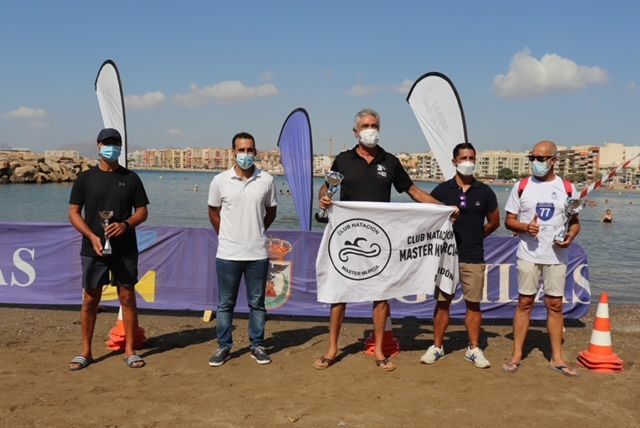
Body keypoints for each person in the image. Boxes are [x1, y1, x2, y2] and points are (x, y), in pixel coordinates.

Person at [312, 108, 443, 372]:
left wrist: (444, 208)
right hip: (347, 237)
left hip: (380, 239)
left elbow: (414, 191)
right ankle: (332, 348)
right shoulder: (343, 160)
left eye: (374, 125)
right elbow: (327, 187)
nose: (370, 130)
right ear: (355, 132)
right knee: (339, 294)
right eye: (365, 126)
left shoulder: (390, 161)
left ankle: (380, 351)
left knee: (381, 294)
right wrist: (324, 196)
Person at [68, 128, 149, 370]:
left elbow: (143, 212)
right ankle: (86, 351)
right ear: (98, 145)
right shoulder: (85, 178)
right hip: (94, 248)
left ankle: (130, 350)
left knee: (128, 298)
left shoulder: (131, 178)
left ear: (121, 147)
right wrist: (92, 236)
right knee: (90, 299)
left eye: (115, 143)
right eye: (106, 143)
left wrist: (125, 225)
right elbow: (73, 212)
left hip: (125, 249)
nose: (110, 147)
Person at [502, 140, 580, 376]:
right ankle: (517, 355)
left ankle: (557, 357)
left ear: (554, 160)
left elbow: (575, 223)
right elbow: (509, 221)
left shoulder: (568, 188)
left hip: (557, 256)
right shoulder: (522, 186)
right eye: (533, 158)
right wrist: (525, 227)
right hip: (528, 254)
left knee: (555, 305)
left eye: (541, 158)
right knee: (524, 303)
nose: (535, 162)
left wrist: (570, 237)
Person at [421, 142, 500, 368]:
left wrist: (476, 235)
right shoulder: (442, 190)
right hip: (445, 256)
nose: (468, 162)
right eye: (464, 158)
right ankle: (437, 346)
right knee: (442, 303)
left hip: (473, 255)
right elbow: (427, 219)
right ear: (454, 161)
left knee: (473, 304)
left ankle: (474, 348)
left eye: (472, 158)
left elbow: (494, 222)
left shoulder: (485, 191)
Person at [207, 132, 277, 367]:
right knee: (226, 303)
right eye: (241, 150)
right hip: (228, 254)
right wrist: (227, 235)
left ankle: (257, 344)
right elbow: (213, 212)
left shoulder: (266, 180)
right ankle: (224, 346)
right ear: (233, 152)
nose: (246, 154)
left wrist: (256, 231)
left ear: (255, 152)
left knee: (257, 303)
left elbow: (271, 211)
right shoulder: (219, 180)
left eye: (250, 150)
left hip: (258, 253)